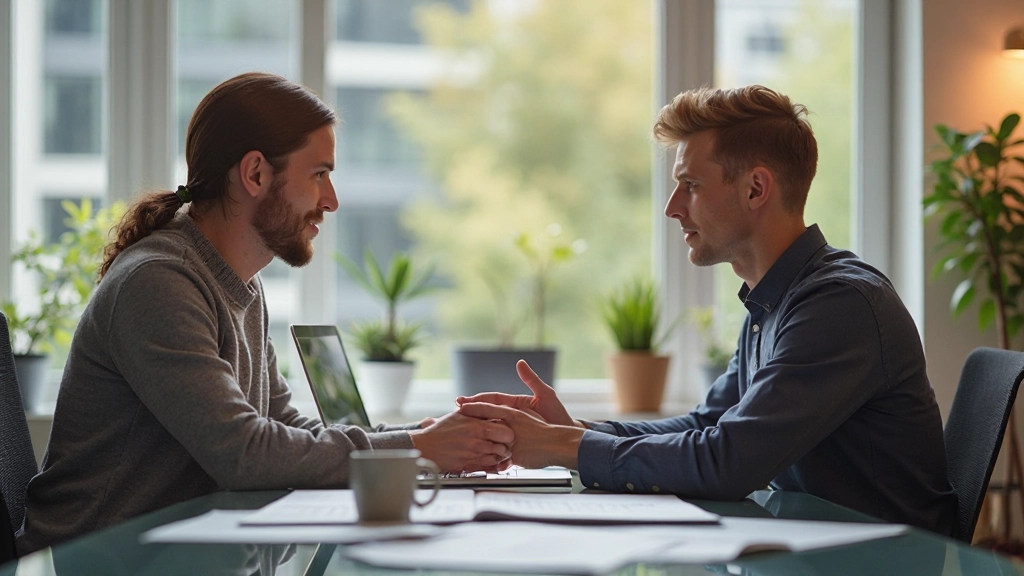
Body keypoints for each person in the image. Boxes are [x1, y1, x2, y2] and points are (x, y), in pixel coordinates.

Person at [17, 72, 512, 554]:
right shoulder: (158, 282)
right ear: (255, 173)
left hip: (174, 558)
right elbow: (245, 454)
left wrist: (427, 437)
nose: (331, 201)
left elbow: (285, 429)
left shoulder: (240, 286)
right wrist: (418, 449)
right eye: (319, 174)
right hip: (93, 561)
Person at [457, 85, 958, 535]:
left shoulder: (839, 305)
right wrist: (575, 431)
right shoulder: (774, 302)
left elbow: (728, 461)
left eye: (690, 185)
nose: (673, 206)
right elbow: (707, 424)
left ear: (756, 189)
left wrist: (560, 448)